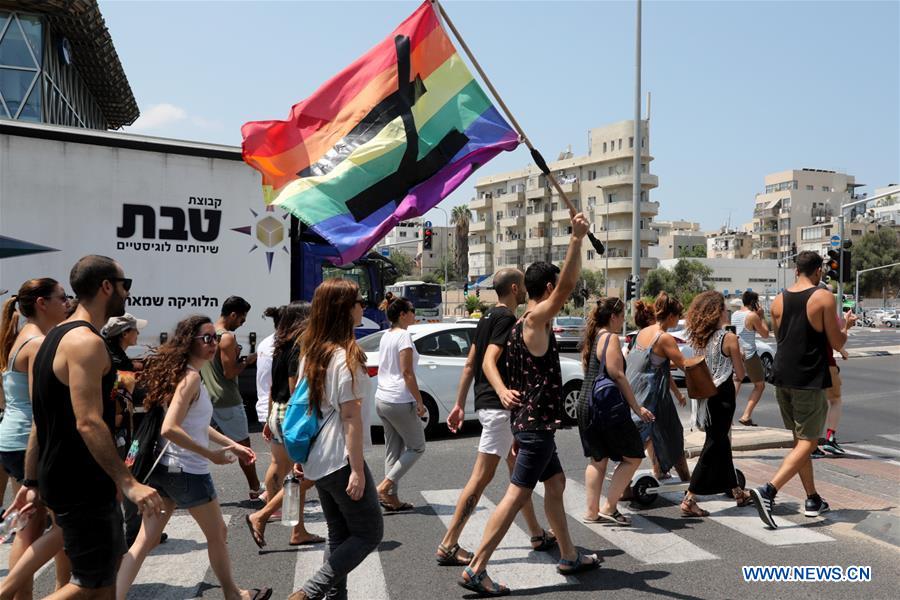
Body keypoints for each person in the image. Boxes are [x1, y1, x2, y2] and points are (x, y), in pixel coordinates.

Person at [4, 255, 163, 599]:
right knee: (93, 587)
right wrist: (128, 482)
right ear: (106, 286)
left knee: (100, 582)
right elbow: (89, 422)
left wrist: (31, 481)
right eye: (125, 284)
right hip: (81, 480)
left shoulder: (53, 338)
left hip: (63, 477)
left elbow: (41, 421)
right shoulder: (86, 343)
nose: (127, 292)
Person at [460, 213, 599, 597]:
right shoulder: (535, 319)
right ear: (548, 288)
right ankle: (476, 568)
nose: (561, 296)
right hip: (535, 426)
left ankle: (568, 555)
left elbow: (487, 362)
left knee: (555, 483)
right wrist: (576, 238)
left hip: (533, 424)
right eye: (556, 290)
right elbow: (567, 286)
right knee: (517, 493)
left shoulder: (522, 323)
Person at [115, 315, 270, 600]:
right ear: (190, 342)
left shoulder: (184, 374)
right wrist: (211, 454)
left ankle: (113, 595)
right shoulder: (190, 378)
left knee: (144, 541)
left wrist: (231, 445)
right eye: (206, 338)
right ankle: (233, 594)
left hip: (165, 470)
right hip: (187, 472)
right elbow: (170, 428)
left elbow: (195, 424)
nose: (213, 344)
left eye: (215, 338)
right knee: (218, 533)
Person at [436, 268, 556, 567]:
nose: (526, 290)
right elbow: (488, 360)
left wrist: (460, 404)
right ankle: (449, 543)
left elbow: (470, 364)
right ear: (515, 288)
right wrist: (502, 391)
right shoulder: (505, 319)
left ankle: (536, 533)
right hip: (501, 408)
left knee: (520, 476)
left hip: (489, 405)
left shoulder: (487, 317)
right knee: (482, 478)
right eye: (522, 285)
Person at [288, 279, 382, 600]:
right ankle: (308, 593)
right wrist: (357, 469)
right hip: (341, 460)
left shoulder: (312, 353)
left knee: (338, 533)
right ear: (344, 310)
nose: (363, 306)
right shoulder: (345, 357)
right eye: (359, 301)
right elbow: (350, 418)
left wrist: (302, 456)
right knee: (369, 533)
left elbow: (307, 408)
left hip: (318, 458)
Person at [750, 251, 856, 528]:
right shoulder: (823, 297)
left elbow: (781, 337)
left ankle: (812, 498)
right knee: (809, 441)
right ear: (819, 271)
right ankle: (768, 490)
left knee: (800, 441)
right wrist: (847, 326)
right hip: (808, 378)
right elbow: (836, 342)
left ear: (796, 270)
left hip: (782, 375)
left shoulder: (778, 299)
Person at [0, 279, 71, 598]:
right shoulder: (39, 343)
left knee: (29, 528)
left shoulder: (22, 337)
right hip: (31, 442)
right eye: (62, 297)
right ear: (42, 303)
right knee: (60, 526)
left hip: (14, 439)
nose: (67, 303)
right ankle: (59, 589)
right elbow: (42, 406)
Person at [246, 302, 324, 547]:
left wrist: (270, 417)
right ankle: (264, 515)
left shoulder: (279, 345)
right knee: (307, 474)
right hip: (292, 412)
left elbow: (272, 385)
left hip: (278, 411)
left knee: (282, 467)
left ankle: (296, 529)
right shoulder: (299, 345)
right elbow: (294, 387)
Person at [578, 297, 654, 526]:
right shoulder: (610, 338)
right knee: (633, 456)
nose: (623, 320)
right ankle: (610, 507)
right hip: (606, 407)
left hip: (587, 403)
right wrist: (637, 407)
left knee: (597, 459)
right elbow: (617, 375)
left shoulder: (593, 337)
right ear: (613, 317)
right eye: (621, 316)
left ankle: (591, 512)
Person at [681, 291, 752, 517]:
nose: (727, 312)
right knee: (713, 445)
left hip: (707, 396)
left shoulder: (701, 338)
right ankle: (690, 498)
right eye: (724, 308)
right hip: (723, 396)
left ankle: (738, 492)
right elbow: (740, 373)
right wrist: (740, 355)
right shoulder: (728, 338)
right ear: (718, 312)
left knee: (720, 444)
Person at [101, 312, 157, 548]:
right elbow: (115, 392)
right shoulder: (115, 361)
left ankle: (134, 529)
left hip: (126, 430)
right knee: (127, 476)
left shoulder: (115, 357)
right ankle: (129, 533)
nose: (138, 333)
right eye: (135, 330)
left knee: (130, 474)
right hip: (120, 433)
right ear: (125, 334)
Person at [201, 296, 262, 499]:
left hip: (208, 396)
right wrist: (247, 361)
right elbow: (229, 373)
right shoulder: (227, 338)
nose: (243, 323)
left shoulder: (208, 333)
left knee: (196, 442)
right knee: (243, 447)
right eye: (242, 318)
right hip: (227, 398)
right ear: (233, 314)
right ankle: (255, 488)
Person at [628, 294, 691, 482]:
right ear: (671, 316)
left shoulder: (642, 333)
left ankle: (669, 474)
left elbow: (657, 366)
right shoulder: (664, 338)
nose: (679, 319)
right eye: (678, 316)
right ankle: (687, 481)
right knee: (668, 436)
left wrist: (677, 393)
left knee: (658, 435)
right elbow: (685, 366)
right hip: (651, 397)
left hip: (636, 393)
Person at [374, 296, 426, 511]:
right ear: (403, 315)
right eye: (412, 310)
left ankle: (391, 499)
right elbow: (407, 372)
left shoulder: (386, 335)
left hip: (383, 398)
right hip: (399, 399)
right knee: (417, 447)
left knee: (393, 450)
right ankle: (384, 487)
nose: (415, 314)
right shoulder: (404, 336)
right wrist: (419, 401)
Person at [254, 305, 283, 504]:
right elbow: (276, 383)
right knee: (280, 462)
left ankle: (271, 497)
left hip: (267, 405)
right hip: (275, 407)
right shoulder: (279, 346)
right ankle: (271, 499)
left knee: (282, 461)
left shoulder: (267, 342)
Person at [731, 290, 770, 426]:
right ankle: (746, 415)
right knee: (760, 385)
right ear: (754, 302)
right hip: (749, 354)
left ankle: (727, 417)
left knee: (736, 383)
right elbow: (765, 334)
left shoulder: (735, 314)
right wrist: (762, 317)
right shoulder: (752, 316)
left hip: (737, 353)